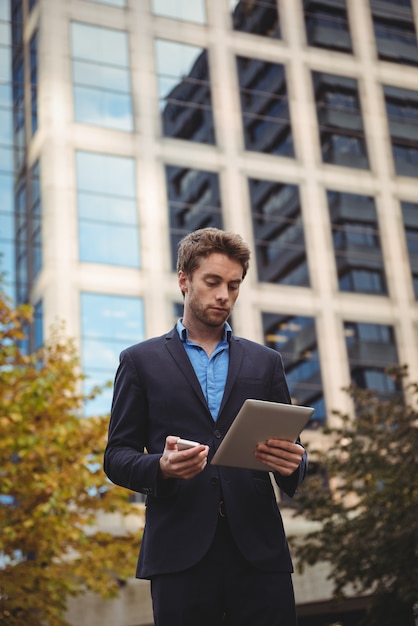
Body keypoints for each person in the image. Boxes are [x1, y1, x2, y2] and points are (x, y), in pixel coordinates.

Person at [104, 227, 308, 626]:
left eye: (233, 285)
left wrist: (293, 464)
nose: (224, 296)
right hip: (179, 555)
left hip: (259, 553)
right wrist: (160, 467)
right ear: (184, 280)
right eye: (212, 282)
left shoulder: (265, 362)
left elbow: (293, 454)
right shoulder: (139, 361)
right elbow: (116, 457)